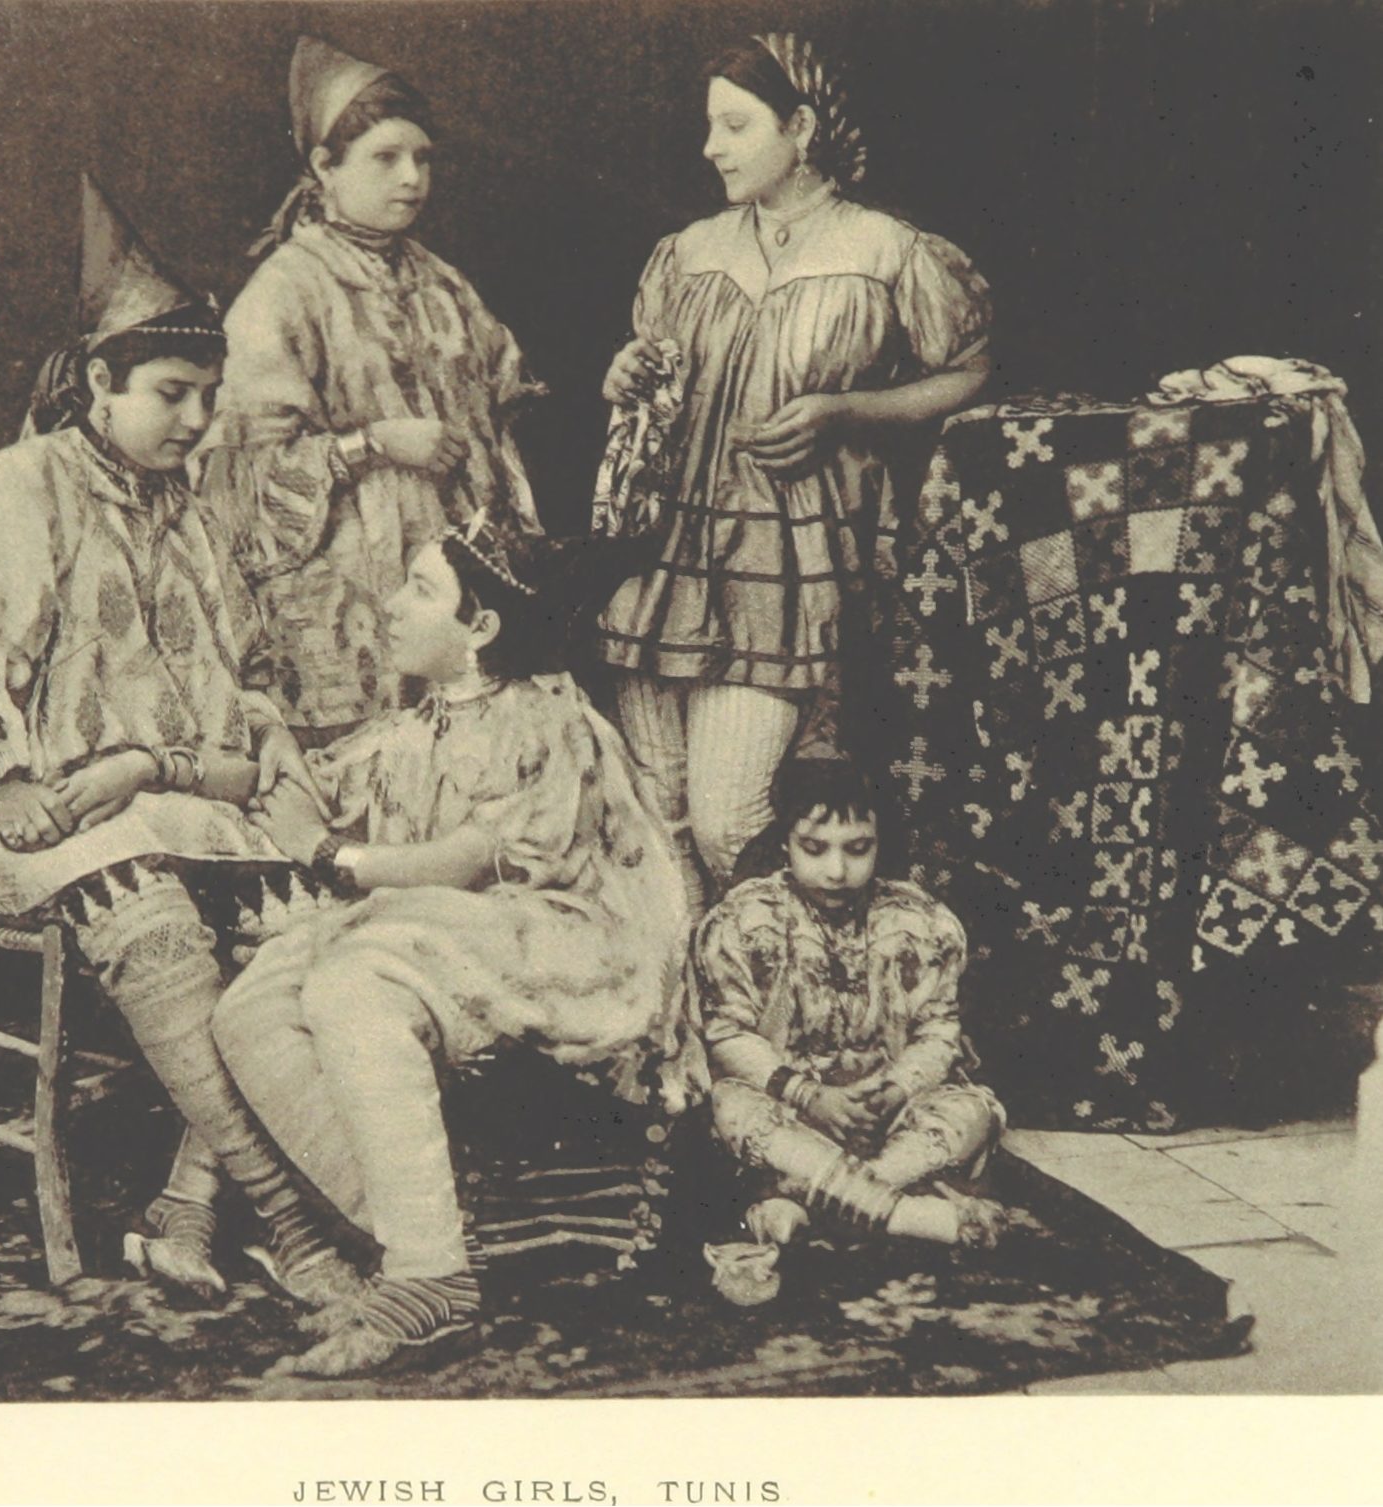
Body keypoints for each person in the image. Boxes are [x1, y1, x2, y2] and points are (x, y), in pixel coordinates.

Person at [0, 175, 336, 1303]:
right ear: (97, 381)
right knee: (151, 914)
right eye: (172, 394)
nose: (195, 421)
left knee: (307, 930)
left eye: (209, 398)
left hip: (168, 795)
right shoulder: (10, 494)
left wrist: (231, 748)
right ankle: (294, 1225)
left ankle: (186, 1208)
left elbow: (241, 671)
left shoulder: (191, 509)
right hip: (10, 802)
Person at [207, 519, 704, 1378]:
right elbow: (309, 787)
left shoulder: (546, 717)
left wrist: (325, 852)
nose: (392, 606)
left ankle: (427, 1278)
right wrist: (265, 742)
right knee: (247, 1007)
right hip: (449, 931)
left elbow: (466, 861)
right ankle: (422, 1237)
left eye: (420, 589)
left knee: (350, 982)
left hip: (567, 938)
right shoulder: (413, 725)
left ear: (481, 627)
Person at [598, 33, 993, 911]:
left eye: (735, 126)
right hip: (661, 562)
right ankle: (687, 991)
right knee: (657, 819)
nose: (712, 148)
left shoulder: (885, 249)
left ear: (802, 127)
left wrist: (846, 411)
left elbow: (968, 371)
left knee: (727, 823)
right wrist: (624, 373)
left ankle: (780, 975)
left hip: (785, 565)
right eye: (710, 126)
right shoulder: (688, 251)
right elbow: (653, 374)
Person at [195, 35, 543, 747]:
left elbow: (501, 434)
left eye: (422, 158)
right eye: (386, 158)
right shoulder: (283, 292)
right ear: (325, 167)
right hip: (343, 597)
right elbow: (237, 482)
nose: (412, 178)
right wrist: (375, 443)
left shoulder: (442, 283)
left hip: (453, 592)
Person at [690, 757, 1007, 1273]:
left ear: (880, 843)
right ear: (784, 842)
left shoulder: (920, 920)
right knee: (726, 1105)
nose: (836, 871)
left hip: (886, 1113)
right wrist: (808, 1096)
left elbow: (939, 1030)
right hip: (792, 1110)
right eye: (814, 849)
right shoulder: (743, 919)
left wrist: (895, 1089)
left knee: (975, 1110)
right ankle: (904, 1214)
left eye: (858, 849)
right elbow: (726, 1032)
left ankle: (813, 1202)